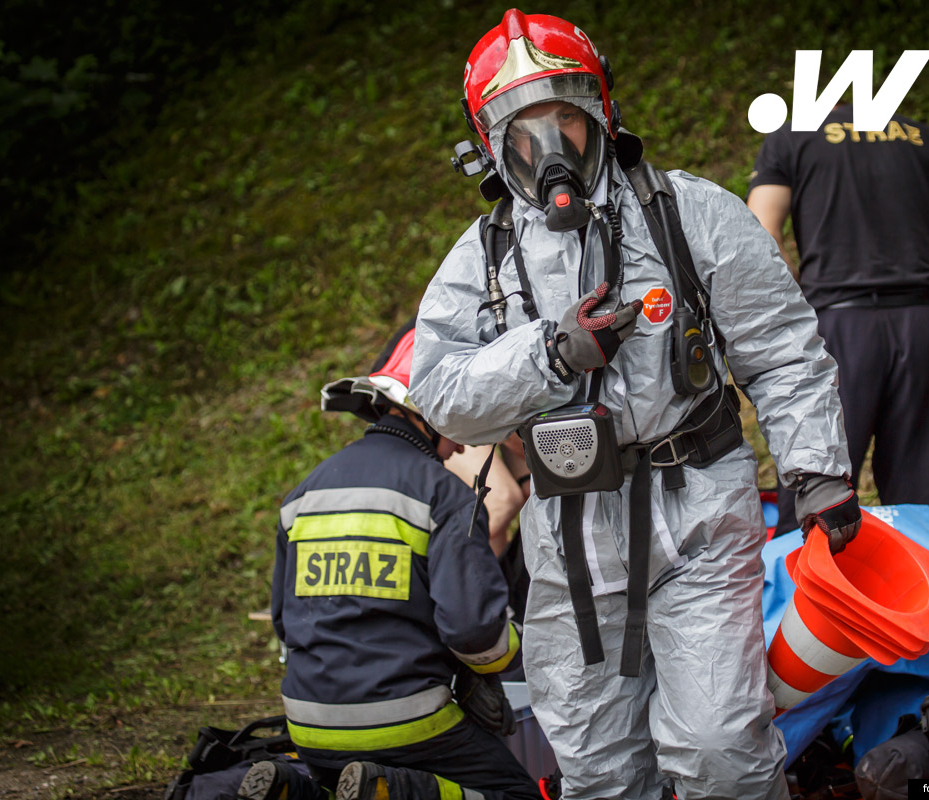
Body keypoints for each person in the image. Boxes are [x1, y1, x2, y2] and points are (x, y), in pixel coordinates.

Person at [411, 10, 861, 800]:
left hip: (697, 509)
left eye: (565, 119)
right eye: (525, 128)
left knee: (722, 748)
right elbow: (441, 396)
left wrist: (817, 468)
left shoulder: (688, 215)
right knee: (598, 765)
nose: (550, 148)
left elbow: (782, 345)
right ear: (490, 142)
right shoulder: (485, 257)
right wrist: (548, 353)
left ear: (600, 114)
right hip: (572, 539)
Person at [238, 320, 540, 800]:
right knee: (515, 792)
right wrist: (519, 655)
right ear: (423, 413)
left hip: (309, 725)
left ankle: (294, 790)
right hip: (407, 722)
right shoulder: (443, 496)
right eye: (452, 421)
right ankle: (398, 792)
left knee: (342, 782)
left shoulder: (304, 493)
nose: (462, 444)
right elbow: (474, 632)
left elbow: (282, 619)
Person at [747, 104, 929, 531]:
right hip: (920, 326)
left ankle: (803, 590)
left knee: (817, 477)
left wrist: (801, 309)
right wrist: (926, 298)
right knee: (924, 493)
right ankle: (928, 586)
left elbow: (760, 235)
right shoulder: (926, 139)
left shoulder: (792, 138)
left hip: (836, 328)